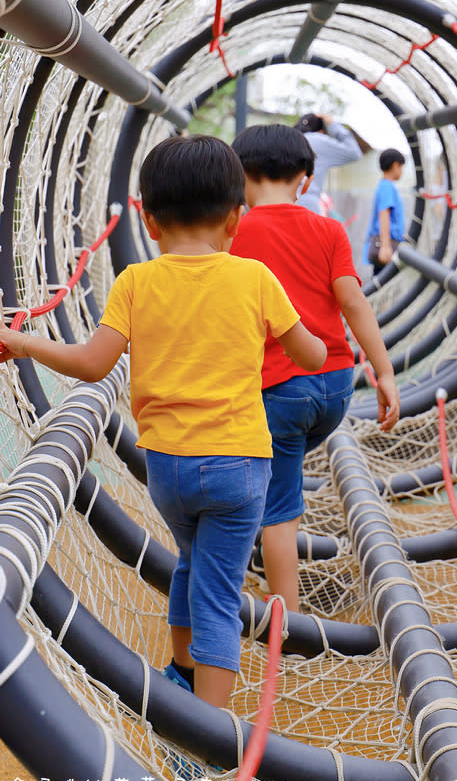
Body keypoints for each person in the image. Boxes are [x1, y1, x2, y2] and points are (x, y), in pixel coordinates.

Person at [0, 134, 326, 708]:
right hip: (240, 466)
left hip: (169, 469)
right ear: (235, 219)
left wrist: (21, 341)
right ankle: (210, 728)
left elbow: (94, 363)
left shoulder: (135, 282)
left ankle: (179, 675)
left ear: (148, 221)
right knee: (220, 594)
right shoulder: (255, 279)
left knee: (188, 565)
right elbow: (310, 356)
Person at [230, 123, 400, 612]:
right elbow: (354, 302)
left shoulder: (236, 231)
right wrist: (383, 372)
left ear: (240, 177)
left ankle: (288, 614)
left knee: (278, 511)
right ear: (306, 180)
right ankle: (259, 572)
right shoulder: (329, 229)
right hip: (335, 387)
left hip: (279, 388)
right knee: (270, 475)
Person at [294, 112, 362, 214]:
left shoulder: (290, 140)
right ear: (320, 131)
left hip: (282, 201)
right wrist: (332, 124)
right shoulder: (319, 140)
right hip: (308, 202)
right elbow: (354, 153)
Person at [364, 148, 406, 274]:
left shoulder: (384, 186)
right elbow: (384, 215)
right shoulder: (387, 187)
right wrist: (385, 246)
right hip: (386, 247)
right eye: (401, 167)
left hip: (387, 244)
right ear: (395, 165)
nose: (401, 171)